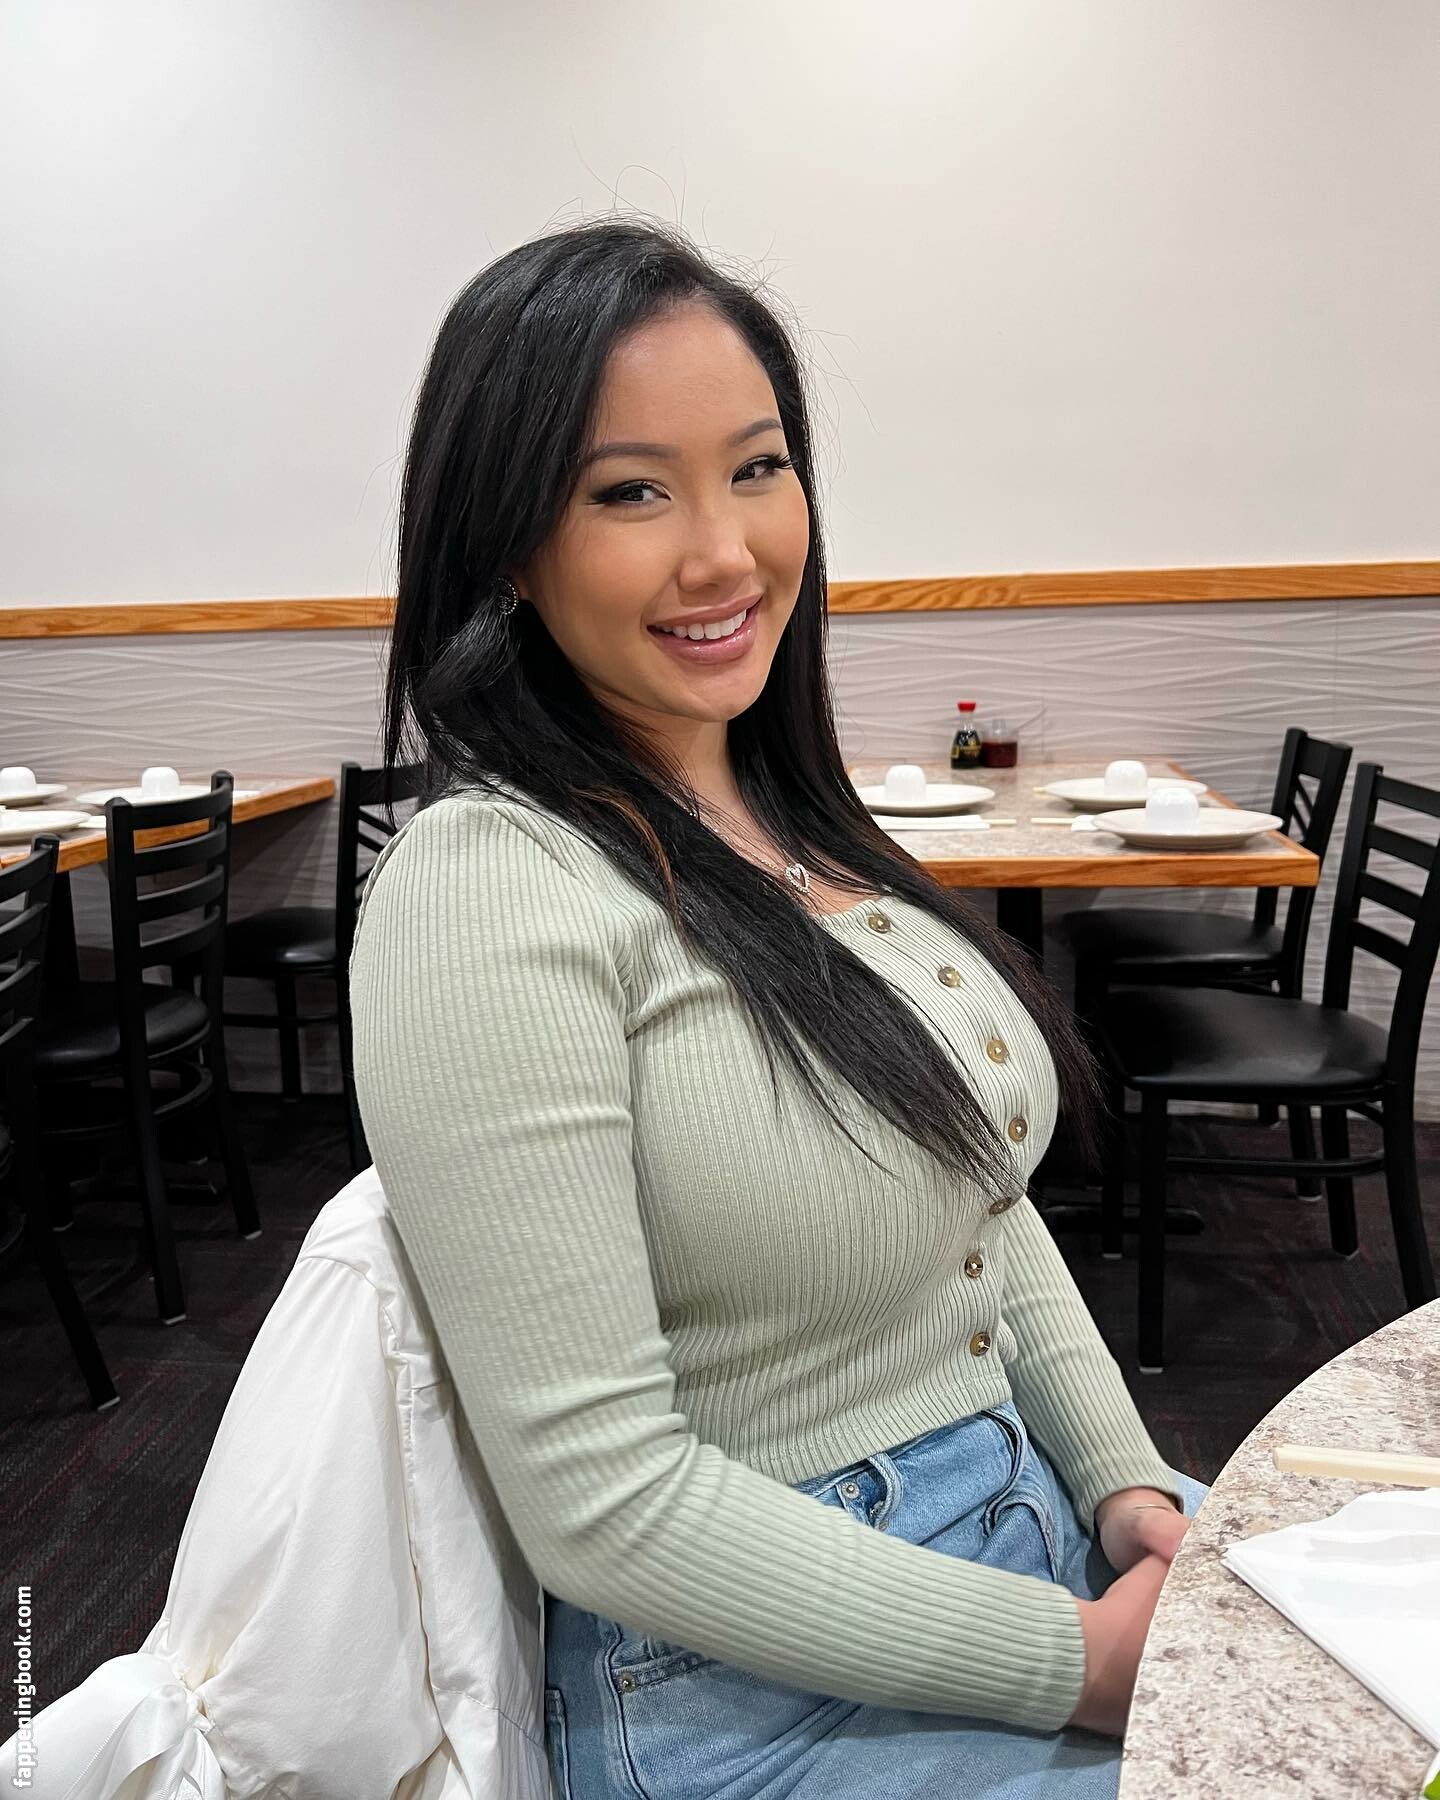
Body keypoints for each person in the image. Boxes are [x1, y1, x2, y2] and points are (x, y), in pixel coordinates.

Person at [350, 217, 1207, 1800]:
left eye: (757, 468)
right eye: (629, 492)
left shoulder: (791, 818)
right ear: (507, 545)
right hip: (745, 1686)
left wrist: (1127, 1485)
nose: (725, 552)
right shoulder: (489, 887)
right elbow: (602, 1501)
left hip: (1019, 1519)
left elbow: (976, 1197)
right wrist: (1077, 1665)